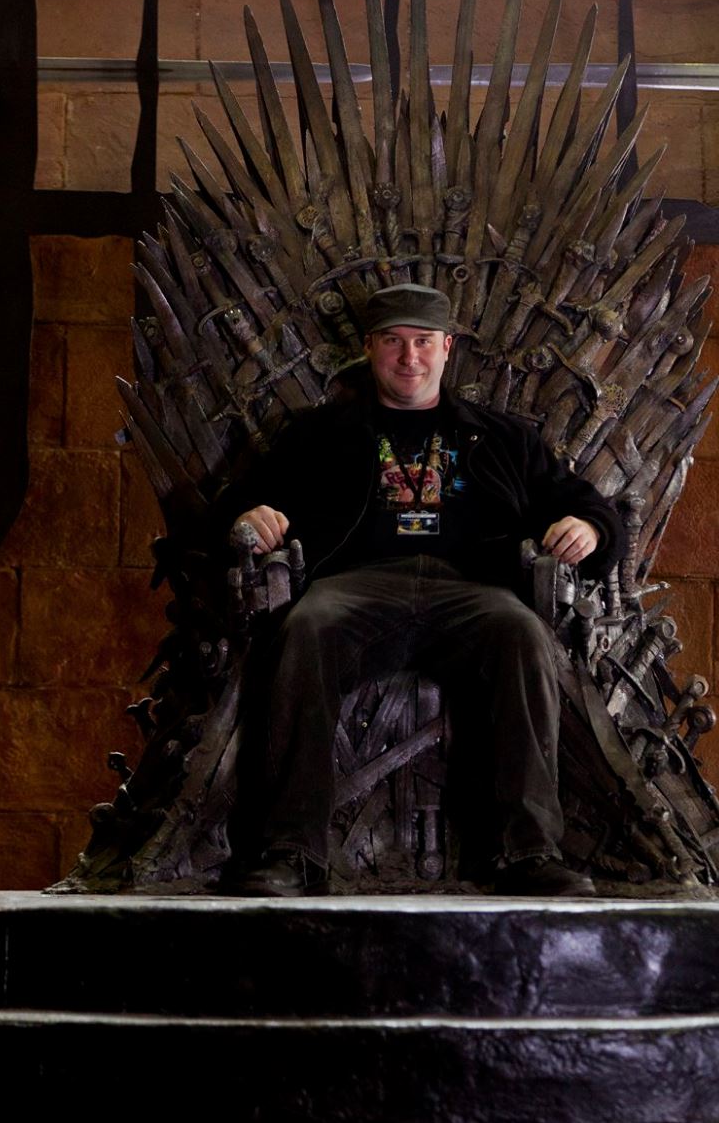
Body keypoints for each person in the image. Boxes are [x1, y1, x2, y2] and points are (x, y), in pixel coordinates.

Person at [216, 282, 619, 897]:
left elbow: (586, 505)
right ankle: (289, 852)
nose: (410, 357)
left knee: (524, 635)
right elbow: (242, 504)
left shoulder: (500, 438)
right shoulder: (322, 435)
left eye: (423, 342)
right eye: (394, 342)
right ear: (371, 349)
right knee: (305, 629)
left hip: (471, 589)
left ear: (447, 348)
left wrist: (586, 527)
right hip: (354, 586)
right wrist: (248, 521)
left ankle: (528, 851)